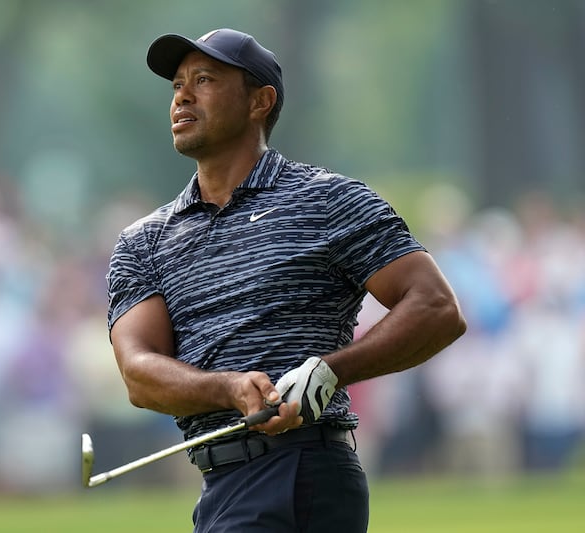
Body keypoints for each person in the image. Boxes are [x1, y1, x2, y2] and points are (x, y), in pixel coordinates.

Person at [106, 28, 467, 532]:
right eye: (177, 85)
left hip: (303, 469)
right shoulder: (145, 241)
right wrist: (229, 389)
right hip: (220, 487)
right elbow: (139, 373)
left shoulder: (327, 200)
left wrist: (331, 371)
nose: (183, 95)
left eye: (204, 79)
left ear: (260, 101)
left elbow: (436, 308)